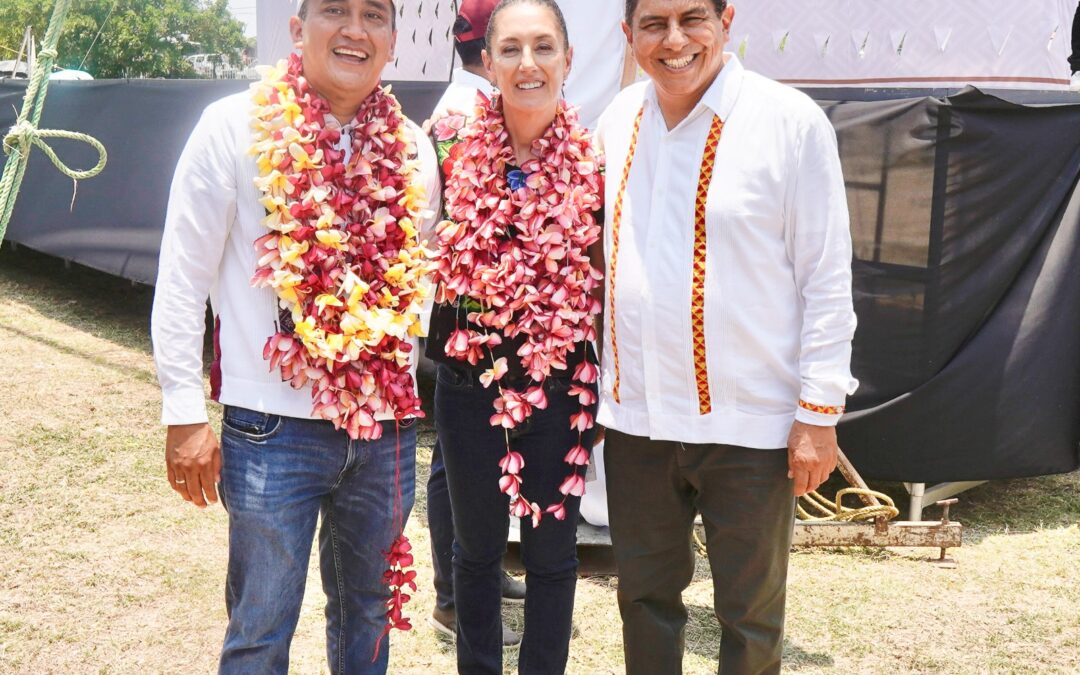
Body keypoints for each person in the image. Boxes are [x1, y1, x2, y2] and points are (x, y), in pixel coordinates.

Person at [150, 0, 439, 672]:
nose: (354, 29)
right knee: (261, 625)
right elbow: (182, 277)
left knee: (368, 615)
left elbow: (416, 286)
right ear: (297, 27)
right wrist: (183, 411)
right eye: (335, 9)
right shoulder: (234, 125)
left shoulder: (414, 148)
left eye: (374, 14)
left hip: (385, 433)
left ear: (393, 40)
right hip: (271, 429)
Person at [595, 1, 858, 674]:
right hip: (638, 419)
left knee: (750, 613)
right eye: (653, 24)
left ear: (727, 20)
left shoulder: (788, 122)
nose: (674, 40)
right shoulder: (618, 121)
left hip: (750, 424)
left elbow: (826, 277)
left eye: (692, 18)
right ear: (629, 36)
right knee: (645, 598)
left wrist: (817, 414)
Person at [425, 0, 605, 672]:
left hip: (562, 385)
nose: (528, 64)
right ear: (488, 61)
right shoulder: (447, 143)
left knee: (553, 557)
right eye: (511, 49)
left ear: (567, 57)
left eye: (543, 47)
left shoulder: (596, 155)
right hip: (470, 383)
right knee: (474, 553)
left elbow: (610, 273)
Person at [424, 0, 526, 650]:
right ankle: (455, 595)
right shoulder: (468, 119)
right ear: (487, 49)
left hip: (486, 312)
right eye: (511, 45)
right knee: (455, 459)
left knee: (467, 452)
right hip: (469, 313)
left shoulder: (473, 108)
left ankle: (471, 575)